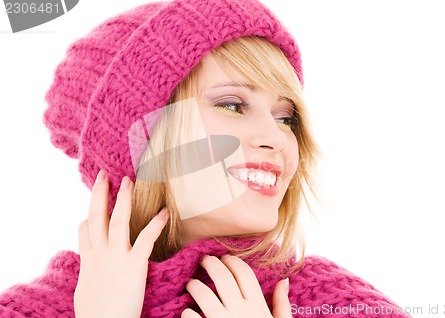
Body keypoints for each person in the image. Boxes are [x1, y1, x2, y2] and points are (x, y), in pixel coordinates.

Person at [0, 0, 411, 317]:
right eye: (233, 105)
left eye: (286, 117)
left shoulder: (334, 303)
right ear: (145, 140)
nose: (277, 138)